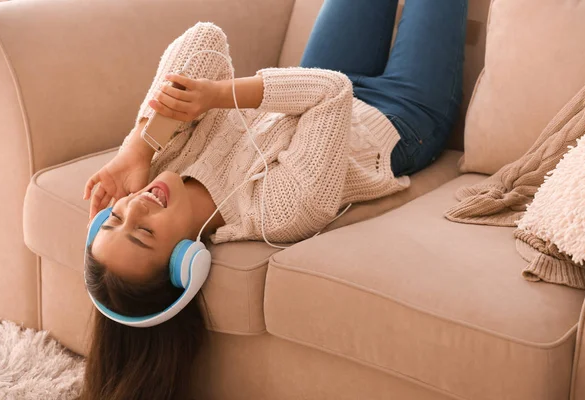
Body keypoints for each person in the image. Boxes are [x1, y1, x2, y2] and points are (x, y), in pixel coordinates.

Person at [80, 1, 467, 399]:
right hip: (398, 117)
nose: (136, 206)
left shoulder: (161, 161)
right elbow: (333, 92)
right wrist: (215, 96)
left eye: (114, 219)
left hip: (309, 84)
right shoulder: (275, 213)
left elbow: (204, 40)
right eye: (143, 232)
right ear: (184, 258)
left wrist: (137, 147)